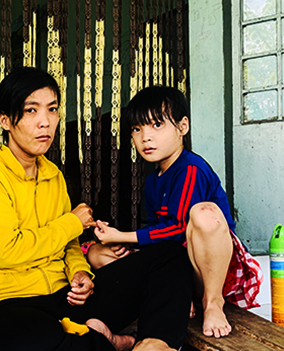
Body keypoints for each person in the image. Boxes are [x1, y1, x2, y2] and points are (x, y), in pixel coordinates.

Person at [0, 67, 215, 351]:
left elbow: (66, 246)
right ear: (5, 121)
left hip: (65, 297)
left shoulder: (53, 175)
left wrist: (80, 274)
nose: (45, 122)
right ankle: (113, 343)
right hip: (8, 302)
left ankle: (153, 345)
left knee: (167, 254)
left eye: (52, 109)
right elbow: (7, 251)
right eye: (30, 111)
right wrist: (72, 222)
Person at [91, 85, 263, 338]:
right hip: (177, 266)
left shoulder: (190, 168)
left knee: (204, 213)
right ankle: (174, 295)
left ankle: (213, 303)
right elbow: (158, 235)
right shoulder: (153, 179)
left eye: (156, 125)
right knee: (97, 254)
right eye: (137, 129)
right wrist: (122, 246)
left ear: (183, 127)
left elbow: (178, 229)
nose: (145, 137)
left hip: (210, 269)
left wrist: (122, 236)